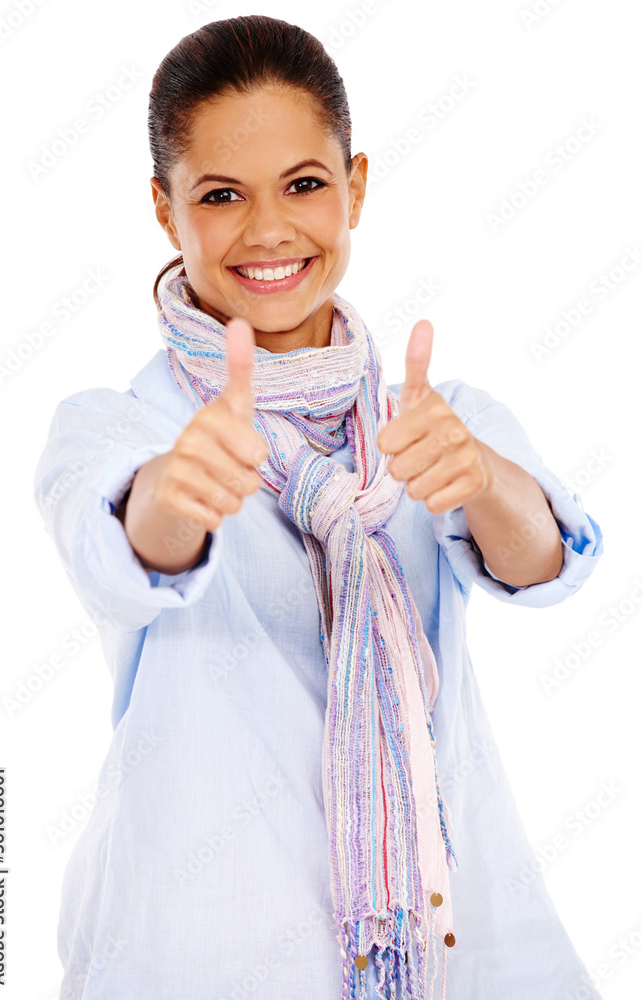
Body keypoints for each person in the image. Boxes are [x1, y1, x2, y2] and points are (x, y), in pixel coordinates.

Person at [33, 14, 604, 1000]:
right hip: (197, 951)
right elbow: (122, 540)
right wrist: (179, 490)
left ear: (357, 188)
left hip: (452, 948)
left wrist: (479, 478)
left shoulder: (432, 419)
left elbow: (544, 562)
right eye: (219, 195)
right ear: (165, 212)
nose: (267, 231)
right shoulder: (118, 428)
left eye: (303, 183)